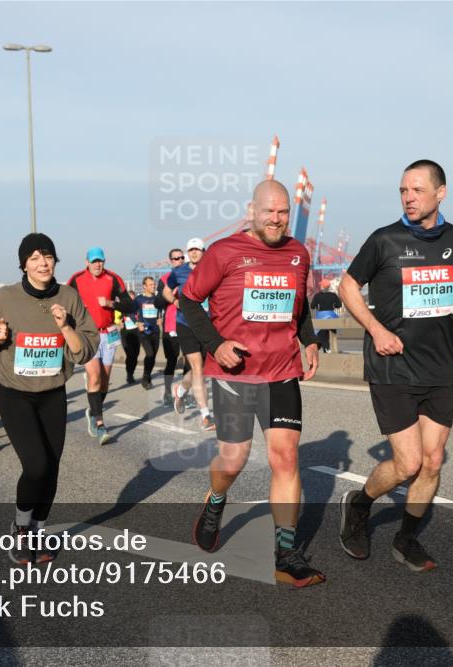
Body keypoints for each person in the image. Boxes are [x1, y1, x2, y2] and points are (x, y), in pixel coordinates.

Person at [338, 159, 453, 572]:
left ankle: (406, 538)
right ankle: (359, 504)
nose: (408, 197)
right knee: (409, 464)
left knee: (433, 461)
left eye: (417, 190)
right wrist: (377, 330)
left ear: (441, 192)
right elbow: (347, 286)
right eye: (403, 190)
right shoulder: (385, 240)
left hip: (439, 365)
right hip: (392, 365)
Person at [180, 180, 325, 587]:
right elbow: (189, 300)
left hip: (281, 370)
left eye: (282, 212)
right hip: (235, 372)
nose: (276, 219)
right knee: (234, 459)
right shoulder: (223, 252)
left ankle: (286, 554)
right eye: (269, 211)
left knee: (285, 457)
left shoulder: (299, 253)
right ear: (252, 211)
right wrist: (215, 344)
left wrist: (309, 341)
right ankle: (216, 499)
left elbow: (300, 307)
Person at [0, 233, 99, 564]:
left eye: (48, 256)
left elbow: (85, 350)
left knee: (52, 467)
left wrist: (66, 327)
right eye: (34, 258)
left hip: (52, 392)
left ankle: (38, 531)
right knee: (37, 464)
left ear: (56, 261)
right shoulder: (5, 298)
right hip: (14, 391)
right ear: (24, 264)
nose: (42, 263)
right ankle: (20, 527)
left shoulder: (69, 297)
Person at [67, 247, 135, 445]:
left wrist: (111, 303)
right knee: (95, 375)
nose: (98, 265)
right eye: (94, 261)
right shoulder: (76, 279)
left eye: (101, 261)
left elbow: (129, 305)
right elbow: (65, 303)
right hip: (87, 335)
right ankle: (99, 423)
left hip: (109, 333)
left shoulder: (113, 279)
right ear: (87, 262)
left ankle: (93, 409)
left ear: (104, 262)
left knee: (104, 380)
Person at [164, 238, 216, 431]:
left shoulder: (213, 270)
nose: (194, 253)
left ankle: (181, 389)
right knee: (198, 368)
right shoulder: (178, 272)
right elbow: (167, 291)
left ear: (204, 251)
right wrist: (175, 302)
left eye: (198, 250)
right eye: (191, 250)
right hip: (185, 323)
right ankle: (206, 416)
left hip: (206, 324)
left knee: (199, 369)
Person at [159, 249, 185, 405]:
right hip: (171, 325)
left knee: (191, 361)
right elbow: (157, 303)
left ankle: (183, 393)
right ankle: (168, 392)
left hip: (189, 323)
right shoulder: (165, 279)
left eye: (182, 258)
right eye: (176, 258)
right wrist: (170, 295)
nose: (180, 260)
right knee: (172, 361)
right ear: (171, 261)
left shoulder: (191, 275)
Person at [133, 276, 165, 389]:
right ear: (144, 286)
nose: (153, 286)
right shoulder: (138, 299)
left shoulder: (157, 299)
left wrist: (161, 319)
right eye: (150, 285)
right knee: (149, 354)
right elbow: (130, 313)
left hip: (155, 331)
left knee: (152, 357)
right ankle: (146, 377)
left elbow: (161, 312)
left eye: (154, 284)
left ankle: (147, 377)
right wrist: (138, 323)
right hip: (144, 332)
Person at [310, 278, 342, 353]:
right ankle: (334, 349)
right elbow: (339, 305)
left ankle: (326, 348)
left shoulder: (317, 296)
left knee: (321, 333)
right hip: (332, 316)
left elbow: (312, 306)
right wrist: (333, 305)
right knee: (333, 333)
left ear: (322, 287)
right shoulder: (333, 295)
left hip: (321, 317)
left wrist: (317, 305)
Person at [121, 290, 141, 384]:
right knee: (130, 355)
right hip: (126, 334)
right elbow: (114, 318)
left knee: (136, 355)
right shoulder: (121, 309)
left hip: (136, 333)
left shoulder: (138, 309)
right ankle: (129, 375)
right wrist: (118, 322)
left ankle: (131, 372)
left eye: (133, 299)